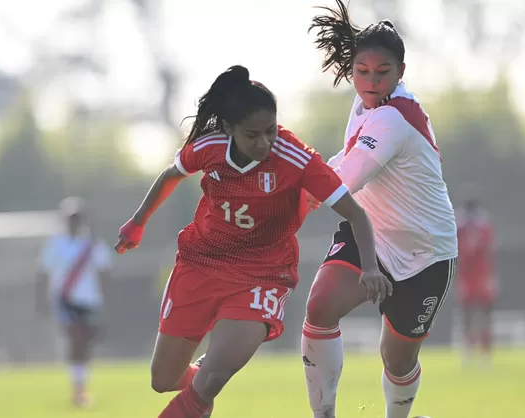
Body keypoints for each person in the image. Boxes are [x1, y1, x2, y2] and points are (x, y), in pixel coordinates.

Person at [114, 65, 388, 418]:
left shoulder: (297, 159)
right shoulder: (209, 146)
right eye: (252, 135)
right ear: (229, 129)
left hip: (262, 275)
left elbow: (355, 213)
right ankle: (208, 368)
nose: (264, 143)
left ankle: (209, 376)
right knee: (163, 379)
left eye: (271, 131)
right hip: (200, 264)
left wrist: (369, 267)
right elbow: (171, 174)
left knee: (209, 384)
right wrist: (137, 223)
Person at [301, 2, 458, 417]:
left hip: (424, 254)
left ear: (401, 72)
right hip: (368, 233)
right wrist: (302, 180)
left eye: (382, 71)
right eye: (362, 71)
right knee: (320, 307)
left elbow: (346, 179)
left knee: (397, 358)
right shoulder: (363, 107)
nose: (370, 81)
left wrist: (292, 193)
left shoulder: (395, 118)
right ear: (351, 69)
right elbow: (344, 160)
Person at [36, 197, 113, 407]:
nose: (74, 222)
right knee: (75, 342)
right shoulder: (55, 243)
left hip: (89, 301)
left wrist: (106, 300)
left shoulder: (93, 243)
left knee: (85, 346)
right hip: (65, 301)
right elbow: (43, 273)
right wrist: (42, 300)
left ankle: (81, 388)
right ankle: (78, 392)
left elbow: (104, 270)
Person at [456, 196, 498, 366]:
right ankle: (472, 352)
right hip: (472, 275)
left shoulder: (480, 224)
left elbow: (488, 249)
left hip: (478, 275)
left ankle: (482, 353)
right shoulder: (465, 225)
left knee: (483, 315)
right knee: (469, 315)